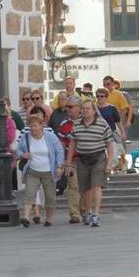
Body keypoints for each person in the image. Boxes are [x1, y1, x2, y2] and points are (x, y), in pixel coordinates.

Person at [65, 102, 114, 227]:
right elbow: (72, 144)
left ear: (93, 111)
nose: (85, 111)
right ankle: (87, 212)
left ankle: (96, 214)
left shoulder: (102, 124)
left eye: (88, 108)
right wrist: (68, 163)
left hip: (98, 158)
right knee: (85, 189)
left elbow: (109, 144)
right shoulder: (76, 125)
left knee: (96, 186)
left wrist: (109, 163)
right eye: (83, 108)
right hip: (82, 159)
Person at [17, 113, 64, 227]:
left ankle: (49, 219)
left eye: (35, 126)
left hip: (48, 172)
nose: (33, 129)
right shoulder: (26, 137)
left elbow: (59, 151)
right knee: (29, 194)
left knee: (50, 196)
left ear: (41, 125)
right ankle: (26, 217)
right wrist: (23, 155)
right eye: (31, 126)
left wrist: (59, 166)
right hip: (32, 171)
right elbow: (18, 150)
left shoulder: (50, 136)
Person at [58, 95, 83, 223]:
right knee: (73, 186)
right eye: (67, 106)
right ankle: (75, 213)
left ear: (79, 108)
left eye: (70, 107)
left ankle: (85, 210)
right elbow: (61, 143)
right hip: (71, 160)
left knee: (87, 186)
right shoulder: (64, 124)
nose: (67, 109)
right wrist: (62, 162)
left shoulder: (87, 120)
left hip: (86, 159)